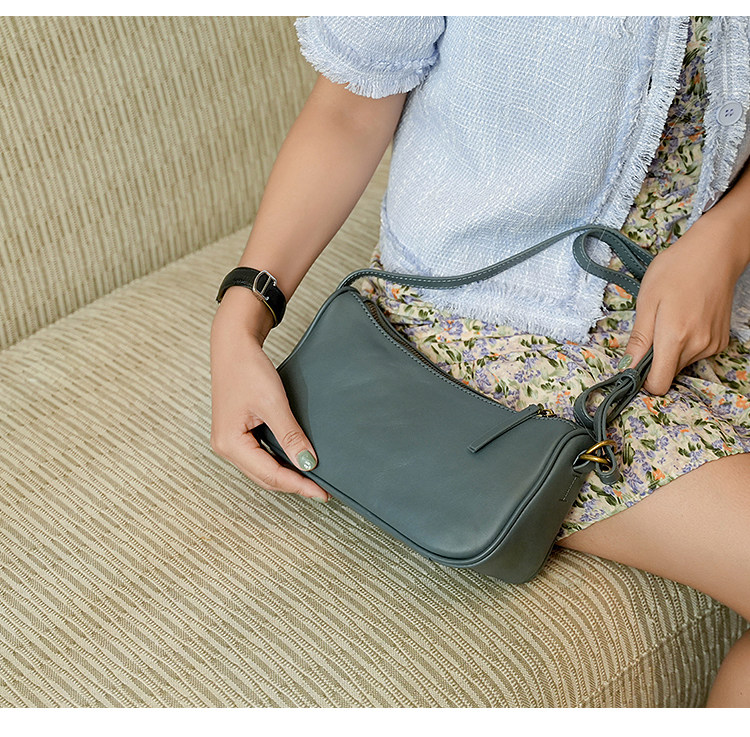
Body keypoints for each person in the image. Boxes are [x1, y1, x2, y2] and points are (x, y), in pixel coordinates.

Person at [210, 16, 750, 706]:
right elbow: (347, 112)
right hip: (483, 326)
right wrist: (239, 324)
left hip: (713, 312)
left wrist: (728, 237)